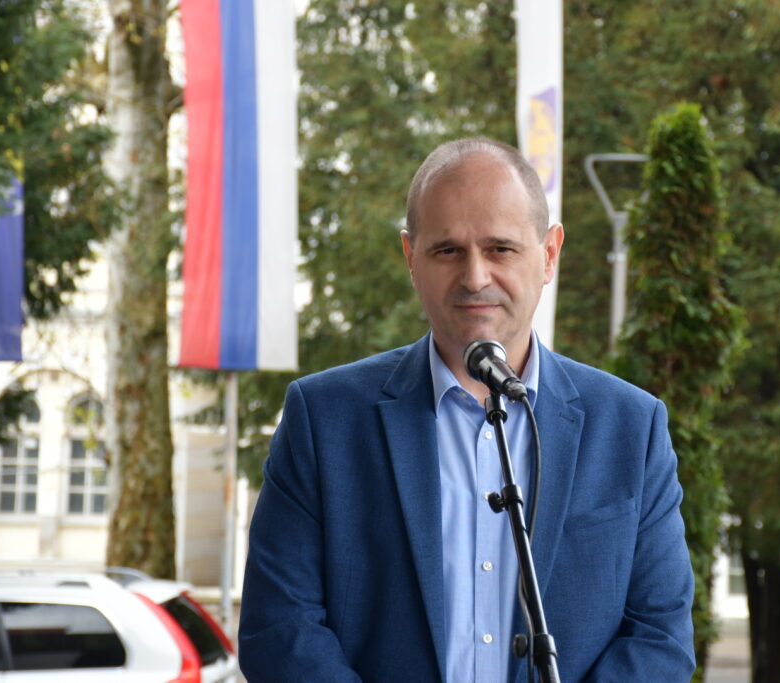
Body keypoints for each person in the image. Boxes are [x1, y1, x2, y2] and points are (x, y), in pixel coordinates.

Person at [238, 137, 695, 682]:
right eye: (448, 251)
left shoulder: (631, 429)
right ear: (411, 258)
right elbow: (280, 631)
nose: (475, 277)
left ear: (549, 254)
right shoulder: (323, 420)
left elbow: (660, 636)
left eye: (500, 249)